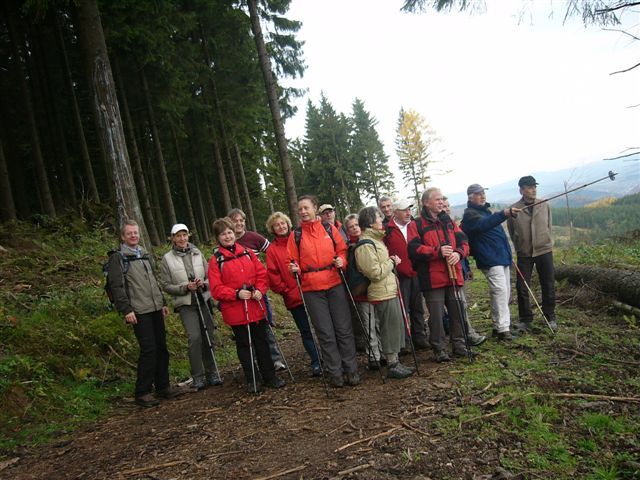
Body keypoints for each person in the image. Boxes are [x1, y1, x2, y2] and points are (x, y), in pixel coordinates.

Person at [106, 220, 183, 407]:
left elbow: (154, 281)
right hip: (138, 311)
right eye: (129, 233)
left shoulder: (144, 254)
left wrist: (162, 302)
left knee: (161, 347)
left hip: (155, 307)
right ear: (123, 237)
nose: (133, 236)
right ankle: (142, 392)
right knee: (148, 350)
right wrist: (126, 310)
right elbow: (116, 286)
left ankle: (163, 387)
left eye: (136, 233)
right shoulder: (118, 257)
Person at [288, 195, 359, 388]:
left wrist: (341, 261)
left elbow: (342, 250)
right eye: (300, 209)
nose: (303, 212)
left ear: (315, 208)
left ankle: (351, 370)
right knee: (325, 332)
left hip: (334, 282)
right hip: (312, 288)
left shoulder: (329, 228)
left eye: (306, 208)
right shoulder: (295, 235)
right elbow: (292, 259)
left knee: (343, 329)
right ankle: (335, 373)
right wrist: (294, 267)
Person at [208, 218, 285, 393]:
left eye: (229, 232)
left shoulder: (248, 252)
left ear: (234, 233)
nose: (227, 236)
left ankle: (270, 376)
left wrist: (260, 289)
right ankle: (253, 379)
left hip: (255, 306)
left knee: (262, 342)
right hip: (236, 311)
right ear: (218, 238)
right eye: (223, 234)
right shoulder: (216, 260)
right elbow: (216, 289)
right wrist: (235, 294)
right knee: (244, 345)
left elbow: (261, 274)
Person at [408, 188, 473, 362]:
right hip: (432, 278)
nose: (441, 202)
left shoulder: (449, 221)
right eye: (437, 199)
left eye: (442, 199)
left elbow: (464, 242)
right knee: (436, 317)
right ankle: (439, 349)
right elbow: (413, 249)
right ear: (426, 203)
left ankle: (459, 345)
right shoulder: (417, 224)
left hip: (454, 275)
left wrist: (458, 253)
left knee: (457, 312)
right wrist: (437, 252)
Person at [160, 223, 222, 391]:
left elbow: (211, 276)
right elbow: (165, 285)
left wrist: (204, 284)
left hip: (203, 300)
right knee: (194, 338)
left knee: (208, 336)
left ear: (188, 236)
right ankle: (198, 376)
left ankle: (212, 372)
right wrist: (184, 288)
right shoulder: (167, 258)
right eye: (178, 236)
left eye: (184, 235)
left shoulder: (197, 252)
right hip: (186, 304)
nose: (182, 239)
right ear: (172, 238)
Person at [355, 207, 415, 379]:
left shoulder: (376, 240)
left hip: (389, 290)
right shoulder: (365, 245)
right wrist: (391, 262)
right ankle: (392, 365)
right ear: (370, 223)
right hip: (381, 292)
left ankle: (395, 361)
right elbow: (374, 273)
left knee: (395, 326)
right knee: (388, 328)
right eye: (378, 219)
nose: (381, 221)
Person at [265, 212, 321, 377]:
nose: (281, 227)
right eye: (277, 225)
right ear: (272, 229)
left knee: (321, 326)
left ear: (288, 224)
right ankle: (316, 361)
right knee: (305, 330)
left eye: (283, 223)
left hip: (312, 289)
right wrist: (286, 290)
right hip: (293, 297)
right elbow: (273, 276)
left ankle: (330, 357)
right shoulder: (272, 250)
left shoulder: (299, 238)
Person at [227, 208, 284, 370]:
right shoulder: (228, 241)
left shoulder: (254, 238)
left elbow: (272, 251)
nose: (238, 224)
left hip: (258, 291)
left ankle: (274, 359)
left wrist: (268, 271)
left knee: (265, 324)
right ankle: (256, 363)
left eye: (241, 220)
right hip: (240, 295)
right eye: (235, 221)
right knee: (246, 331)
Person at [461, 185, 520, 340]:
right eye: (478, 194)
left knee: (504, 292)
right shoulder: (470, 215)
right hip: (490, 259)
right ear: (470, 197)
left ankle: (498, 326)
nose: (482, 196)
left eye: (483, 193)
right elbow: (483, 225)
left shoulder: (484, 212)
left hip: (501, 257)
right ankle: (502, 329)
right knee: (500, 292)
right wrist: (503, 214)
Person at [507, 176, 557, 331]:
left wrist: (547, 242)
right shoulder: (514, 209)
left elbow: (549, 225)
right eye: (529, 187)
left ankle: (550, 316)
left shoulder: (544, 205)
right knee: (522, 286)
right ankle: (525, 319)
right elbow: (511, 231)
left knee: (548, 284)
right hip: (524, 254)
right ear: (521, 190)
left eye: (534, 186)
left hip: (544, 250)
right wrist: (520, 247)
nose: (533, 189)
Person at [384, 199, 429, 351]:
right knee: (403, 310)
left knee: (418, 308)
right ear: (395, 213)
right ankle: (405, 342)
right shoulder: (387, 230)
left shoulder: (414, 226)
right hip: (399, 276)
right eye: (404, 210)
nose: (408, 213)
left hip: (416, 273)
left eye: (409, 210)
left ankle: (420, 337)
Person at [442, 196, 487, 347]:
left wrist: (466, 268)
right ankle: (466, 335)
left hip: (459, 270)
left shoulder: (453, 225)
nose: (446, 209)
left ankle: (464, 334)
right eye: (443, 206)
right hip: (445, 275)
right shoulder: (441, 227)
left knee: (462, 304)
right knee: (457, 306)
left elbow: (464, 244)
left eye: (448, 206)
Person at [344, 213, 378, 366]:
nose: (355, 228)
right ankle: (373, 357)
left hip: (376, 290)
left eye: (356, 225)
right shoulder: (347, 249)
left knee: (378, 323)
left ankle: (382, 353)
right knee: (368, 325)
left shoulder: (371, 241)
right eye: (351, 227)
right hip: (361, 293)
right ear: (347, 230)